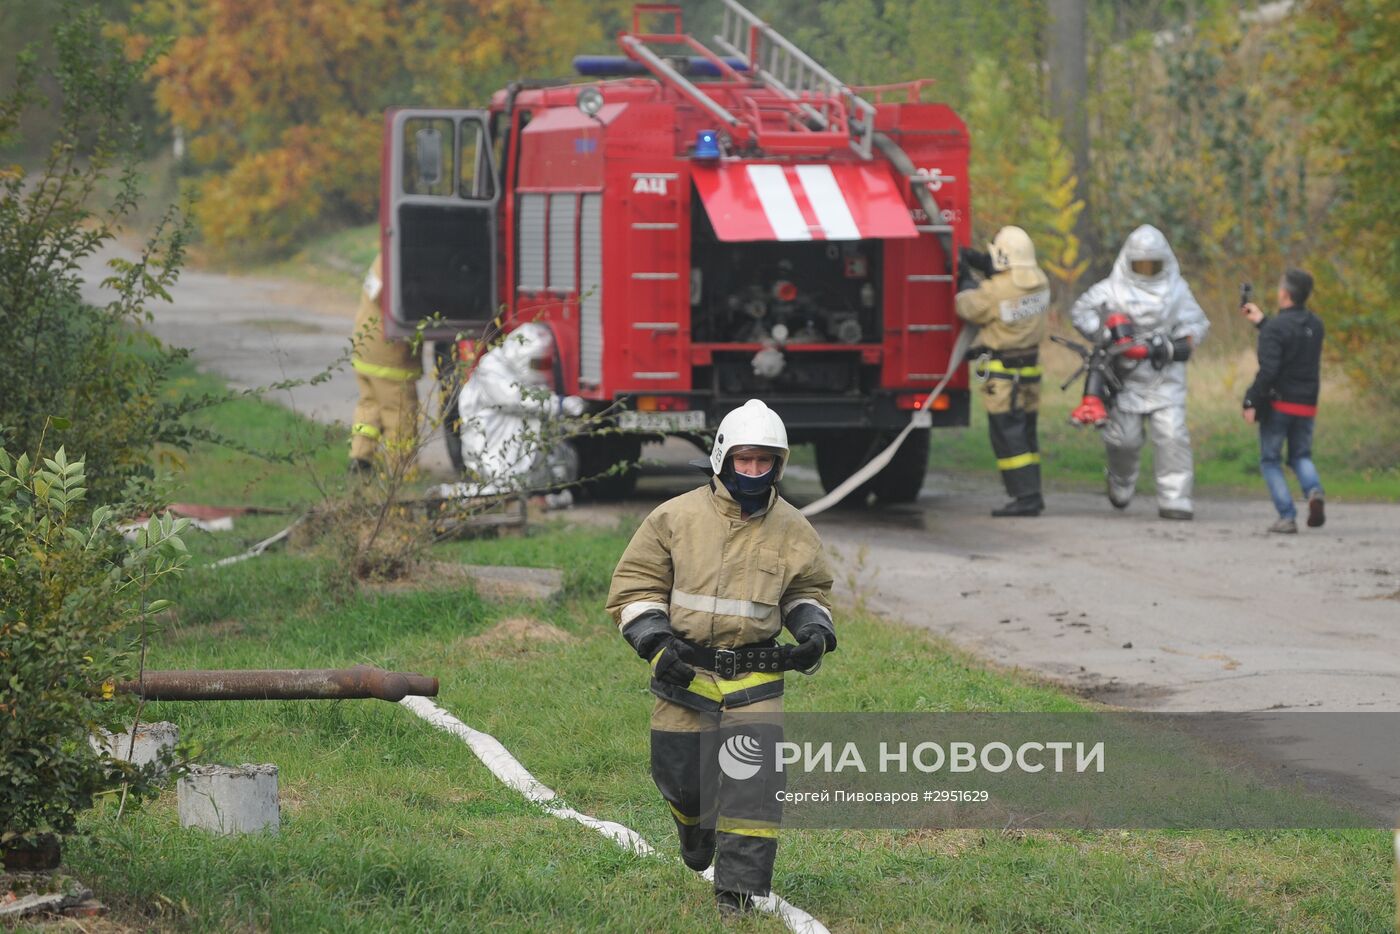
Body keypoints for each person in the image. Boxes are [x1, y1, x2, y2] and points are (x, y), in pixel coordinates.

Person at [606, 399, 836, 917]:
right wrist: (654, 643)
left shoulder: (794, 528)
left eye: (765, 462)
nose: (754, 472)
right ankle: (694, 831)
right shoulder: (673, 518)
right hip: (683, 672)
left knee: (753, 789)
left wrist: (814, 631)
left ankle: (736, 894)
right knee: (681, 782)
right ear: (722, 458)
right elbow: (637, 588)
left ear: (779, 463)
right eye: (744, 460)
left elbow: (807, 592)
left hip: (755, 678)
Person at [1070, 225, 1209, 519]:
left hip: (1165, 378)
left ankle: (1175, 498)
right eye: (1140, 265)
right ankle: (1120, 482)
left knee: (1172, 435)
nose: (1146, 271)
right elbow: (1081, 311)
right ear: (1128, 261)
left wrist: (1177, 344)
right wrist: (1106, 334)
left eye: (1152, 265)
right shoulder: (1112, 289)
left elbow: (1197, 323)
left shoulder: (1177, 290)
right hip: (1124, 380)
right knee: (1124, 440)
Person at [956, 226, 1053, 517]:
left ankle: (1025, 498)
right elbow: (1007, 276)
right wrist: (981, 261)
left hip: (1002, 378)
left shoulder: (996, 291)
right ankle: (1031, 492)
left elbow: (966, 307)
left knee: (1008, 435)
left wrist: (962, 276)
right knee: (1026, 435)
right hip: (1030, 372)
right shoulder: (1041, 283)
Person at [1241, 268, 1326, 533]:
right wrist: (1262, 322)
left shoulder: (1276, 328)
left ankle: (1287, 516)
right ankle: (1314, 491)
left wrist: (1250, 400)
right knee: (1301, 455)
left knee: (1270, 460)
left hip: (1279, 404)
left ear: (1285, 294)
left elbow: (1270, 370)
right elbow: (1292, 340)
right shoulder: (1316, 325)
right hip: (1307, 403)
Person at [349, 253, 422, 472]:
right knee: (400, 414)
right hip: (388, 355)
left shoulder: (385, 255)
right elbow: (395, 301)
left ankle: (360, 458)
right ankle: (403, 472)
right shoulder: (400, 260)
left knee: (370, 406)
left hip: (366, 348)